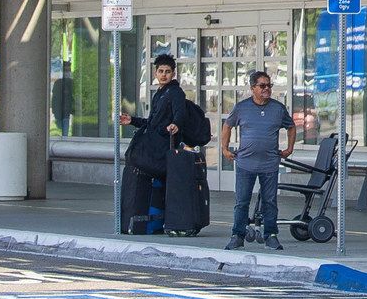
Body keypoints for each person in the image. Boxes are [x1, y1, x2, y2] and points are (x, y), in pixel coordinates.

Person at [119, 55, 203, 234]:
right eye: (160, 71)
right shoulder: (160, 93)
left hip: (162, 148)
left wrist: (175, 125)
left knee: (137, 162)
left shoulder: (175, 92)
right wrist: (132, 120)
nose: (164, 75)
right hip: (154, 145)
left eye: (167, 72)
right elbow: (152, 122)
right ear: (155, 73)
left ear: (173, 73)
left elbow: (179, 114)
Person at [223, 71, 289, 250]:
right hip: (246, 163)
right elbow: (227, 126)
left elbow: (291, 127)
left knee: (270, 201)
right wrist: (224, 149)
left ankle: (271, 235)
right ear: (253, 88)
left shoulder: (278, 108)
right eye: (262, 86)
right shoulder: (242, 107)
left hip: (269, 164)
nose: (267, 89)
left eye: (269, 85)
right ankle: (237, 235)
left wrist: (290, 149)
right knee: (242, 201)